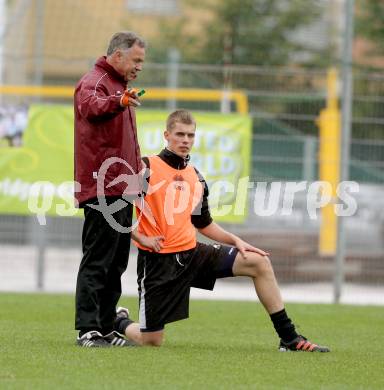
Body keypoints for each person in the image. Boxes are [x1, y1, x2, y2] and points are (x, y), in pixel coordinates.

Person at [114, 109, 330, 352]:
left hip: (192, 254)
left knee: (258, 262)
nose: (186, 140)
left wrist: (236, 240)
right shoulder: (146, 168)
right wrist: (140, 236)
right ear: (167, 135)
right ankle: (118, 320)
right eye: (180, 134)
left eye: (191, 135)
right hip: (157, 264)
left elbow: (203, 223)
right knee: (151, 341)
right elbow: (113, 206)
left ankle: (289, 339)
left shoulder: (196, 177)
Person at [74, 31, 146, 347]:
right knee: (97, 260)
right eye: (136, 60)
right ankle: (87, 329)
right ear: (117, 56)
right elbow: (92, 106)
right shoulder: (95, 82)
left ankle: (106, 327)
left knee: (116, 263)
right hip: (101, 188)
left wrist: (139, 170)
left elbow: (126, 138)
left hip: (122, 187)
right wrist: (119, 101)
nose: (140, 67)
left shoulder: (121, 89)